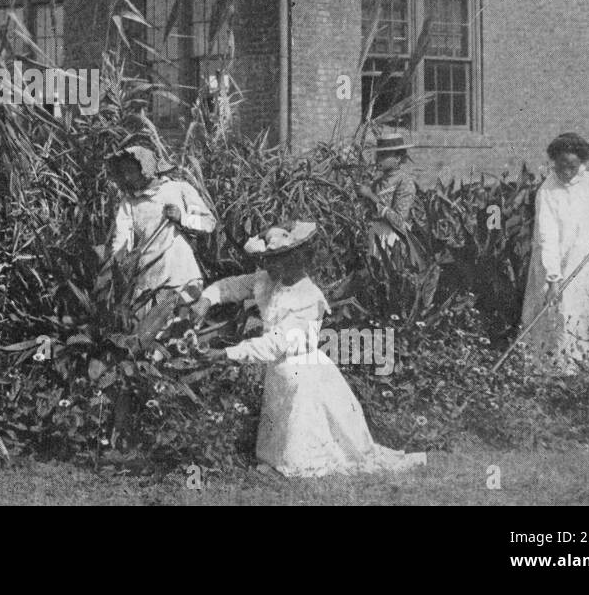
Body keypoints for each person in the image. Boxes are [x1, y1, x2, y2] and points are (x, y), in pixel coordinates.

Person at [192, 222, 426, 478]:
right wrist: (206, 299)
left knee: (307, 439)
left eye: (275, 261)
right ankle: (280, 460)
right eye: (266, 260)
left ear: (292, 260)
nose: (268, 267)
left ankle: (301, 463)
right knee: (280, 427)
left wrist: (226, 354)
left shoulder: (309, 297)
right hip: (280, 371)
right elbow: (231, 287)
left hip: (304, 373)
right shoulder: (268, 280)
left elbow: (277, 343)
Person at [519, 132, 589, 375]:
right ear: (554, 162)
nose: (567, 172)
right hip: (559, 263)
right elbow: (546, 237)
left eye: (572, 166)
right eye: (561, 166)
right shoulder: (547, 191)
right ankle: (564, 370)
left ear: (581, 162)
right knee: (565, 312)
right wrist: (553, 279)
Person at [106, 144, 216, 319]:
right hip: (148, 280)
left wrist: (183, 218)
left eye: (131, 170)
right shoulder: (129, 202)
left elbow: (208, 223)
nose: (127, 177)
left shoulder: (179, 189)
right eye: (123, 172)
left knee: (181, 330)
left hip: (180, 275)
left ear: (145, 168)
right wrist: (119, 265)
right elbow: (121, 240)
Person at [357, 132, 421, 265]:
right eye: (378, 155)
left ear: (398, 158)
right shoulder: (377, 182)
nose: (379, 160)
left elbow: (399, 221)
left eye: (384, 156)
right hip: (375, 236)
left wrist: (371, 197)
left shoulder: (405, 182)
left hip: (394, 240)